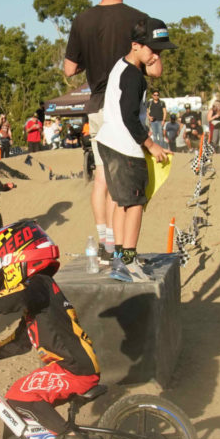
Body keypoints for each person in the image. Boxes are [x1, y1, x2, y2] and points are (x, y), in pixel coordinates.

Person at [0, 220, 100, 439]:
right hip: (70, 367)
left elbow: (16, 297)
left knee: (20, 393)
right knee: (13, 403)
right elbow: (20, 341)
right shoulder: (39, 299)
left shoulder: (39, 284)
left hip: (74, 369)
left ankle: (70, 437)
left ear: (13, 259)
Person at [64, 0, 154, 265]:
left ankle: (105, 243)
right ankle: (124, 249)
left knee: (102, 177)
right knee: (126, 179)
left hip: (99, 104)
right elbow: (154, 67)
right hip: (128, 103)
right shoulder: (140, 19)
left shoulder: (83, 20)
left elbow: (69, 69)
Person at [94, 17, 174, 283]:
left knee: (122, 203)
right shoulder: (134, 78)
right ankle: (128, 261)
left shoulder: (122, 65)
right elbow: (130, 117)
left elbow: (156, 72)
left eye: (161, 51)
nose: (157, 56)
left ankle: (119, 255)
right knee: (136, 204)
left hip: (109, 141)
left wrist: (152, 59)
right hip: (126, 147)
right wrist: (151, 145)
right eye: (154, 50)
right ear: (137, 45)